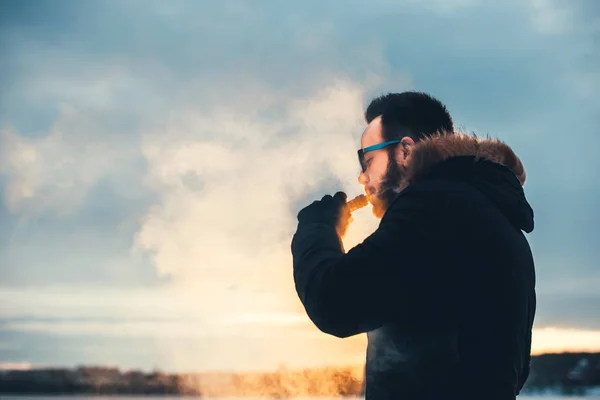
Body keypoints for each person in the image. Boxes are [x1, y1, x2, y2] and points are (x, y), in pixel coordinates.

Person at [291, 92, 536, 399]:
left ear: (405, 151)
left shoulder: (434, 208)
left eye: (368, 161)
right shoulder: (491, 210)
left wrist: (318, 227)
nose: (362, 177)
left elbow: (335, 301)